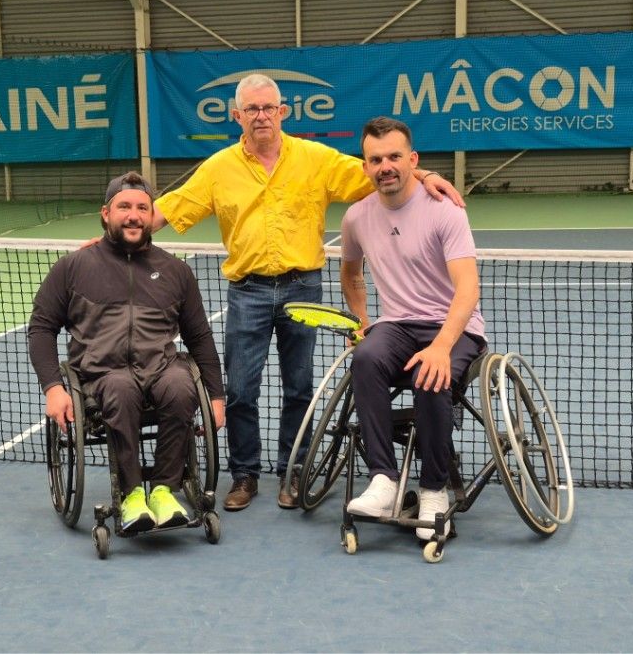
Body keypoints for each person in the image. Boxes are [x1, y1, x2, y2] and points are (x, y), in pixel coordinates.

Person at [146, 73, 466, 512]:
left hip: (303, 288)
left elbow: (379, 171)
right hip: (247, 291)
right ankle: (244, 475)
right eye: (252, 109)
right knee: (241, 391)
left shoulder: (315, 159)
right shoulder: (218, 168)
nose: (261, 116)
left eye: (268, 107)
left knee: (299, 388)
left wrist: (425, 174)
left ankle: (293, 471)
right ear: (237, 116)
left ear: (282, 112)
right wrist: (115, 234)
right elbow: (171, 207)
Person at [28, 171, 226, 533]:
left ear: (151, 216)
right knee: (120, 388)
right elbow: (41, 328)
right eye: (124, 207)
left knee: (181, 386)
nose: (133, 216)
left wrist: (215, 396)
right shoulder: (73, 267)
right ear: (106, 214)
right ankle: (132, 495)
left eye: (142, 208)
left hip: (161, 367)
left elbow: (199, 337)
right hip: (100, 375)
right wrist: (53, 388)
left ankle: (164, 490)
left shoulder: (176, 271)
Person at [340, 116, 486, 540]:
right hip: (397, 324)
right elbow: (350, 274)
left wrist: (441, 346)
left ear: (413, 160)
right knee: (365, 357)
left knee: (430, 372)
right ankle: (383, 480)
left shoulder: (445, 210)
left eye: (394, 157)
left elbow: (468, 288)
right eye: (376, 159)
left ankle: (434, 489)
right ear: (365, 167)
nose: (385, 166)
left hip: (455, 326)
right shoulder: (356, 217)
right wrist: (363, 321)